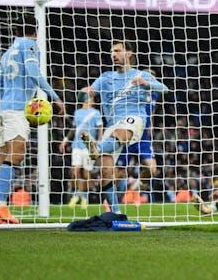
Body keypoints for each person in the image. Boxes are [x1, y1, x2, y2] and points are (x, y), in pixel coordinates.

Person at [0, 15, 65, 223]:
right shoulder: (30, 45)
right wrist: (54, 96)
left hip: (4, 108)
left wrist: (6, 101)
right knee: (16, 154)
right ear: (36, 31)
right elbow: (33, 72)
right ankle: (0, 206)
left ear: (15, 31)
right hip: (16, 109)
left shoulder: (7, 53)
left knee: (3, 157)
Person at [81, 41, 168, 214]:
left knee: (149, 166)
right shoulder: (105, 77)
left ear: (129, 53)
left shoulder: (141, 74)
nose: (114, 54)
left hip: (134, 120)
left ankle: (98, 149)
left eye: (118, 51)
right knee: (107, 170)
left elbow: (164, 89)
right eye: (112, 51)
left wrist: (146, 83)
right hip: (112, 125)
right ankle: (116, 213)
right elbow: (88, 92)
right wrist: (85, 92)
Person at [115, 70, 160, 202]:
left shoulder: (154, 94)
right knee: (118, 173)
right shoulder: (133, 91)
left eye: (152, 78)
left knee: (152, 169)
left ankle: (135, 187)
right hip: (129, 135)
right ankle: (109, 200)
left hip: (143, 137)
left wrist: (151, 126)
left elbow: (152, 112)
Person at [60, 93, 103, 210]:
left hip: (89, 146)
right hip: (77, 145)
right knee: (75, 171)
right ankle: (76, 195)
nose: (93, 100)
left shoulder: (96, 113)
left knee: (86, 174)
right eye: (91, 98)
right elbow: (74, 129)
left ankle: (84, 197)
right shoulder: (77, 112)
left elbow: (100, 128)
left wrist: (99, 143)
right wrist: (65, 140)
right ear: (86, 99)